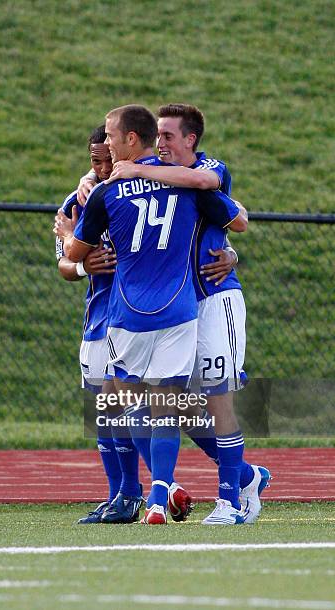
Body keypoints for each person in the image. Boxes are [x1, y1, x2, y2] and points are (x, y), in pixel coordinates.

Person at [57, 104, 247, 524]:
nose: (103, 152)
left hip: (135, 312)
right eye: (95, 155)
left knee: (139, 402)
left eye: (108, 141)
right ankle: (157, 493)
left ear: (129, 141)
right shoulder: (169, 186)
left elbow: (68, 254)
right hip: (177, 310)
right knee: (163, 406)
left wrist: (71, 238)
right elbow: (236, 217)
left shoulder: (163, 182)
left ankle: (227, 492)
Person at [106, 103, 271, 525]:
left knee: (219, 399)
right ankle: (248, 476)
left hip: (217, 300)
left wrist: (231, 253)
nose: (158, 143)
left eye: (167, 136)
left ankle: (230, 501)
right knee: (178, 407)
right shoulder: (160, 184)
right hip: (181, 310)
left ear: (190, 140)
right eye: (156, 135)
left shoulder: (203, 173)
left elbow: (234, 214)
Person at [55, 125, 142, 524]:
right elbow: (62, 264)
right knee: (101, 413)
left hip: (135, 319)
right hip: (97, 319)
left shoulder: (142, 193)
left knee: (127, 408)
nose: (104, 167)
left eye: (110, 158)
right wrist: (80, 262)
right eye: (96, 161)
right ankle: (116, 496)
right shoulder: (77, 202)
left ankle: (136, 492)